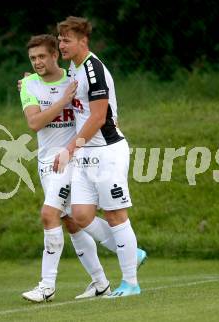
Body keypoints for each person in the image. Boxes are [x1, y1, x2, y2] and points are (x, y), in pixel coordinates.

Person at [19, 34, 125, 302]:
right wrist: (63, 101)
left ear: (55, 55)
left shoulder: (75, 78)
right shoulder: (28, 84)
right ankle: (102, 281)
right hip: (46, 161)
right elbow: (35, 123)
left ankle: (46, 286)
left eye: (42, 56)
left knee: (48, 214)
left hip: (71, 158)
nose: (37, 62)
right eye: (33, 58)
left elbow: (100, 108)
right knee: (71, 221)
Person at [54, 16, 144, 298]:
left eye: (67, 39)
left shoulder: (94, 70)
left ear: (83, 41)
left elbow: (98, 116)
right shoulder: (73, 68)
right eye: (60, 39)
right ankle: (133, 251)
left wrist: (70, 148)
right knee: (79, 214)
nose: (61, 44)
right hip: (86, 152)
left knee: (116, 215)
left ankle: (130, 282)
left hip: (106, 152)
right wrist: (29, 85)